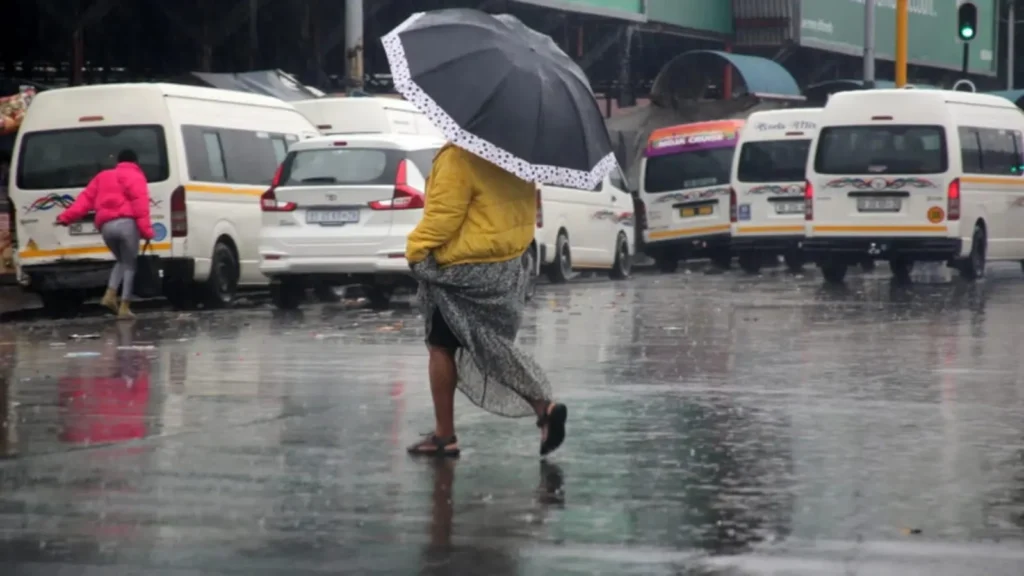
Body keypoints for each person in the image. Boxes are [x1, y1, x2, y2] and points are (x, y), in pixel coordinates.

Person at [405, 144, 567, 458]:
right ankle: (543, 408)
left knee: (441, 346)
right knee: (488, 342)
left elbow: (443, 216)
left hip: (464, 268)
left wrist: (416, 249)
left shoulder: (459, 156)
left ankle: (444, 435)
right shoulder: (517, 156)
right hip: (506, 266)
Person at [57, 149, 154, 319]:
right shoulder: (137, 177)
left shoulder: (102, 176)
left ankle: (110, 294)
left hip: (106, 226)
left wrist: (66, 217)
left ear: (118, 161)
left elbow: (85, 200)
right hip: (127, 224)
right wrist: (146, 231)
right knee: (130, 265)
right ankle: (124, 306)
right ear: (135, 162)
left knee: (121, 261)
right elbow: (141, 206)